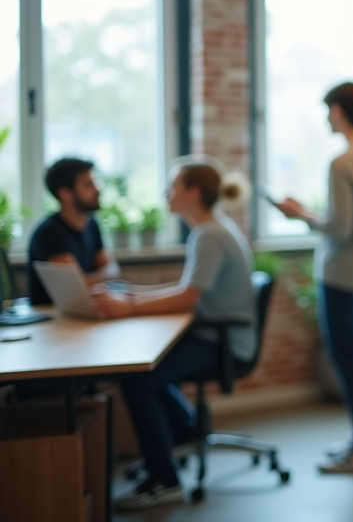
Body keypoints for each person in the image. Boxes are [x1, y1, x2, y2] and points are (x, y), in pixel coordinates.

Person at [92, 160, 256, 511]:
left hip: (223, 342)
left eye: (173, 187)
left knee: (138, 381)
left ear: (193, 193)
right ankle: (182, 435)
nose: (167, 193)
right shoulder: (211, 229)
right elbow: (188, 289)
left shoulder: (209, 234)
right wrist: (133, 295)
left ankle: (164, 480)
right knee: (146, 372)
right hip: (215, 335)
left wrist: (130, 306)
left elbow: (188, 298)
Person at [276, 82, 353, 474]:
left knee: (349, 362)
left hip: (344, 278)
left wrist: (300, 214)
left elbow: (340, 227)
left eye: (329, 110)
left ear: (340, 111)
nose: (327, 118)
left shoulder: (342, 162)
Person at [27, 157, 117, 306]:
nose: (97, 189)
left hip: (78, 309)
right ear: (65, 193)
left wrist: (93, 278)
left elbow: (113, 270)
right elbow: (75, 286)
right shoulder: (49, 233)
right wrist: (101, 277)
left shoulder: (91, 224)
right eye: (88, 184)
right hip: (50, 313)